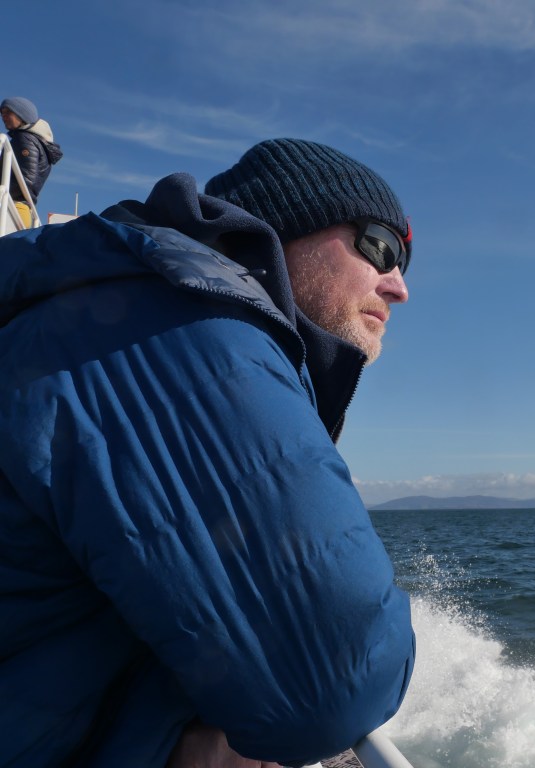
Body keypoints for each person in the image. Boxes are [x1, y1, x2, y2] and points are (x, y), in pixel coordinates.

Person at [0, 139, 416, 767]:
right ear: (288, 224)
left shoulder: (131, 309)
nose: (399, 286)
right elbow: (336, 684)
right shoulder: (178, 329)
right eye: (380, 246)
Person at [0, 96, 63, 228]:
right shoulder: (35, 140)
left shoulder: (24, 139)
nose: (3, 116)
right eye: (2, 113)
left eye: (8, 112)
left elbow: (27, 179)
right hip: (19, 209)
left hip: (12, 207)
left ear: (22, 115)